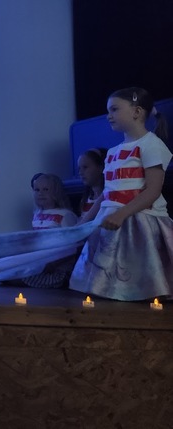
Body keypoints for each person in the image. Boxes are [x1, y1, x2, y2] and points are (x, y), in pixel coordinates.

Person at [70, 87, 173, 301]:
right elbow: (107, 194)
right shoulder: (113, 152)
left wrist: (121, 214)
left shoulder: (151, 145)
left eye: (114, 109)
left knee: (141, 286)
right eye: (108, 110)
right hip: (110, 223)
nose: (109, 115)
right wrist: (84, 221)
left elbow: (153, 191)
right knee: (107, 288)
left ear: (137, 112)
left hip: (138, 225)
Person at [77, 148, 106, 219]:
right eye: (79, 168)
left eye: (85, 167)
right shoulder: (85, 200)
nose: (80, 173)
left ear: (101, 168)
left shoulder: (107, 197)